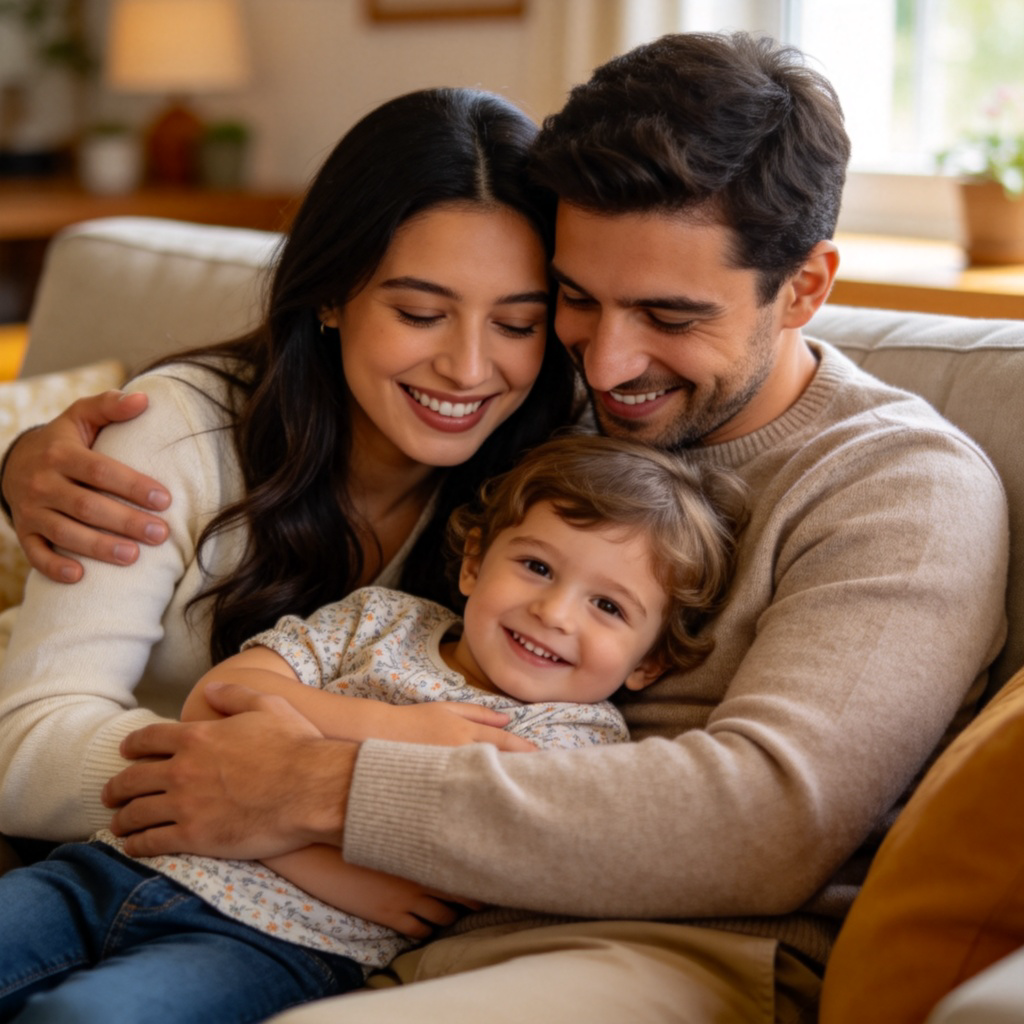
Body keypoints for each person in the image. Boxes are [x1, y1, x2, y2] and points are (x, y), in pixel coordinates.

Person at [1, 31, 1010, 1024]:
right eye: (575, 301)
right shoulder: (537, 407)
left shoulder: (903, 491)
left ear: (805, 287)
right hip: (353, 923)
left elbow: (767, 820)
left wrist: (318, 784)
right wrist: (20, 465)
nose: (609, 364)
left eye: (669, 315)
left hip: (661, 947)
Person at [0, 85, 580, 850]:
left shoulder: (550, 480)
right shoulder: (173, 433)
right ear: (332, 296)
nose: (469, 369)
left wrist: (301, 798)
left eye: (516, 323)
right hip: (92, 857)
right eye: (419, 313)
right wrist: (265, 782)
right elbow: (22, 752)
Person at [0, 435, 745, 1023]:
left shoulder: (572, 739)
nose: (554, 613)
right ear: (475, 562)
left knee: (83, 1016)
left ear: (650, 664)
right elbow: (221, 693)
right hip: (115, 866)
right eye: (537, 567)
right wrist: (402, 730)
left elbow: (437, 883)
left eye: (608, 608)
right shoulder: (380, 618)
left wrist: (262, 824)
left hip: (272, 944)